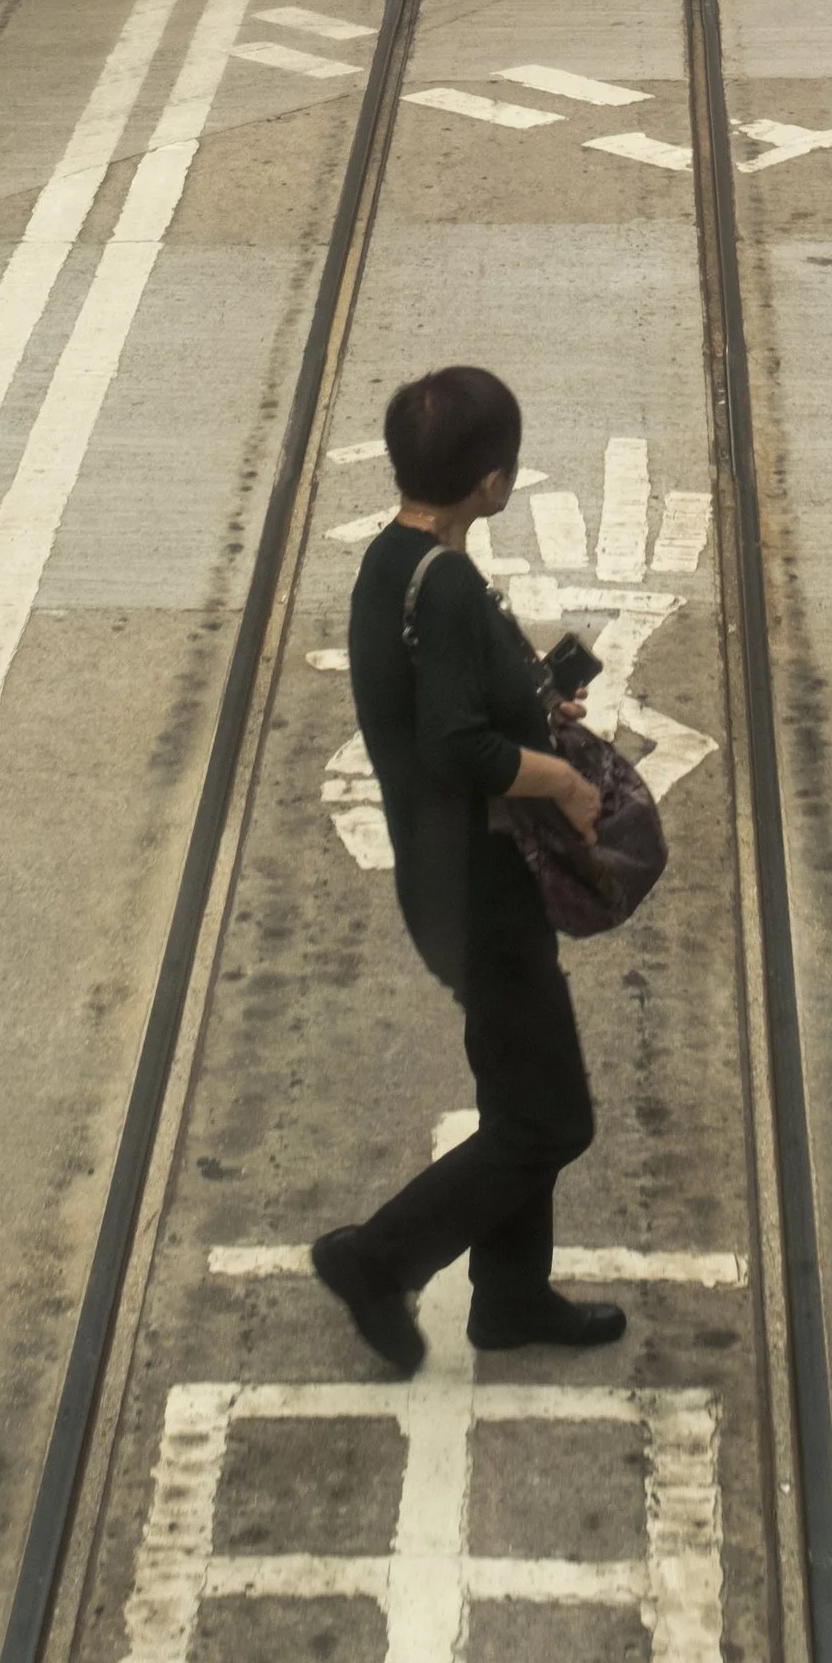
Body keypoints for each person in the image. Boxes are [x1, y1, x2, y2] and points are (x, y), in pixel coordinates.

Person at [312, 364, 621, 1373]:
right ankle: (374, 1260)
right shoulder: (442, 588)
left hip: (445, 879)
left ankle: (512, 1298)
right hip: (478, 887)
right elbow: (454, 747)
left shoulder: (394, 562)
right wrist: (562, 781)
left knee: (515, 1093)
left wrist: (534, 704)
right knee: (552, 1119)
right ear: (492, 481)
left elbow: (439, 705)